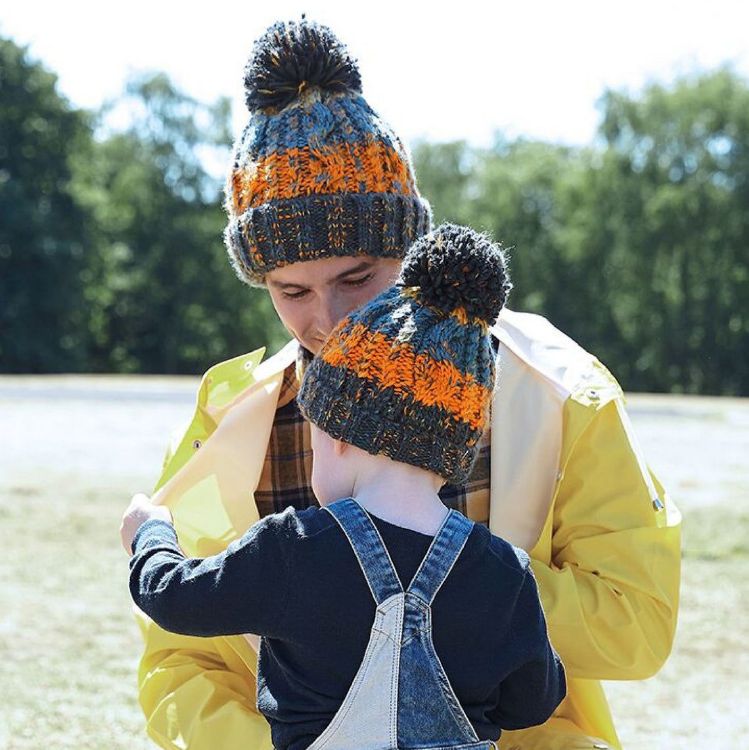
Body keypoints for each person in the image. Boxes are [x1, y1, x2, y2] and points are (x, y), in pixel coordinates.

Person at [129, 16, 681, 750]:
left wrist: (443, 578)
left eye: (356, 278)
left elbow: (634, 626)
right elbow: (182, 663)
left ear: (410, 250)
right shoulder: (233, 419)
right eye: (290, 291)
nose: (325, 320)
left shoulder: (558, 390)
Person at [122, 222, 567, 750]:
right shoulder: (503, 572)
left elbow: (175, 600)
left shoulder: (293, 548)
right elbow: (533, 702)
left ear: (336, 438)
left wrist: (150, 537)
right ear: (450, 455)